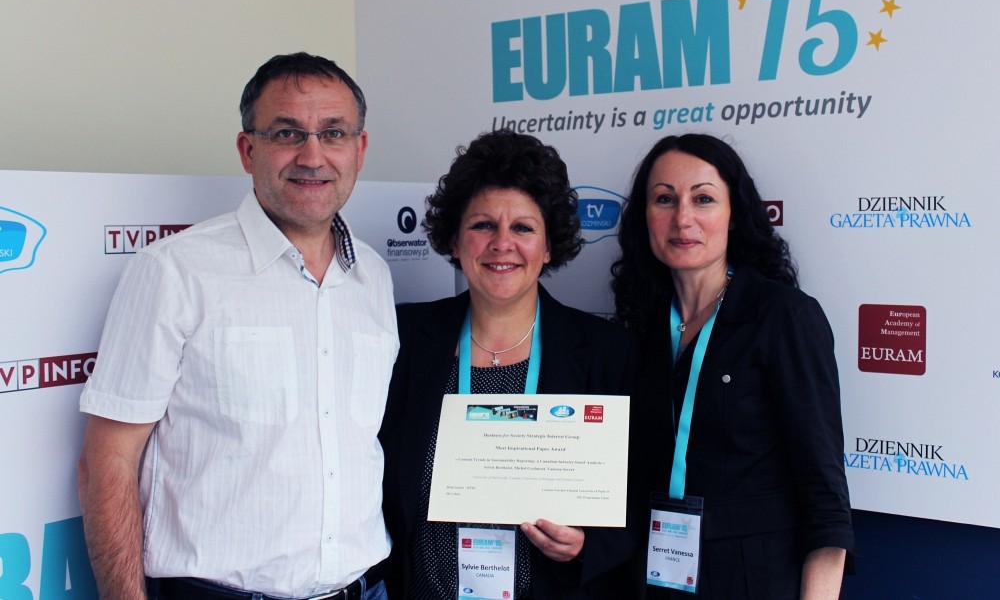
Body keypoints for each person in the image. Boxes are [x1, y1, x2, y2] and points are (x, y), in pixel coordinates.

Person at [77, 52, 398, 600]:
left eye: (334, 133)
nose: (313, 155)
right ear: (249, 150)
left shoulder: (374, 276)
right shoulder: (174, 271)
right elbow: (108, 460)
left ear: (360, 149)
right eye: (287, 133)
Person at [379, 129, 638, 599]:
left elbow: (638, 493)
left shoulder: (606, 352)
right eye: (482, 226)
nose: (502, 244)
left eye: (523, 228)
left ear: (549, 246)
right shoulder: (404, 340)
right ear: (454, 241)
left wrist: (586, 545)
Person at [613, 134, 854, 599]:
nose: (683, 218)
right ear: (645, 216)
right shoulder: (640, 327)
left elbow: (825, 498)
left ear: (734, 216)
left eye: (703, 199)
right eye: (665, 199)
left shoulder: (783, 317)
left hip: (753, 581)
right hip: (652, 578)